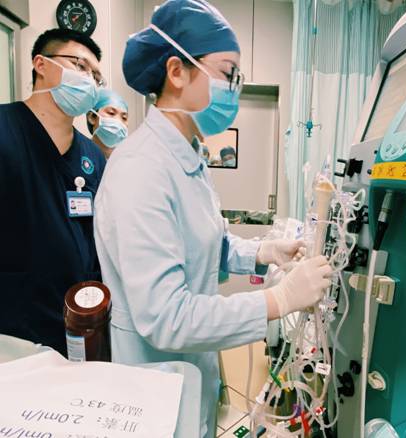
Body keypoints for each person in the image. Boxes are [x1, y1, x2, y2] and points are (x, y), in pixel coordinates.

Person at [93, 1, 332, 436]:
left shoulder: (189, 158)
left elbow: (203, 244)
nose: (234, 89)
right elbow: (167, 317)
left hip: (189, 379)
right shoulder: (141, 170)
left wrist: (263, 252)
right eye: (228, 73)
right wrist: (278, 300)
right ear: (177, 72)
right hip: (153, 392)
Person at [0, 28, 106, 355]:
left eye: (96, 76)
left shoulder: (91, 157)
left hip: (75, 329)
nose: (89, 80)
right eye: (80, 65)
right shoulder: (5, 130)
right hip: (11, 334)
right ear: (41, 64)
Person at [86, 88, 129, 159]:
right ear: (91, 117)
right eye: (111, 113)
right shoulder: (80, 153)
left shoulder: (128, 159)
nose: (118, 121)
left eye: (124, 118)